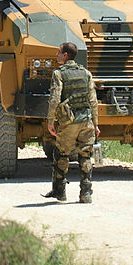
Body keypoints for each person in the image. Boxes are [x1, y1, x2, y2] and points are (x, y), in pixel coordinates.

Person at [45, 42, 100, 203]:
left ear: (65, 55)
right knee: (85, 156)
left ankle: (60, 191)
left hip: (68, 122)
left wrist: (50, 121)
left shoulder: (58, 74)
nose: (56, 55)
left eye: (59, 52)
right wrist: (96, 123)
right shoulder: (86, 73)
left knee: (61, 154)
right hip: (86, 121)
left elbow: (55, 99)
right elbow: (93, 101)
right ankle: (86, 193)